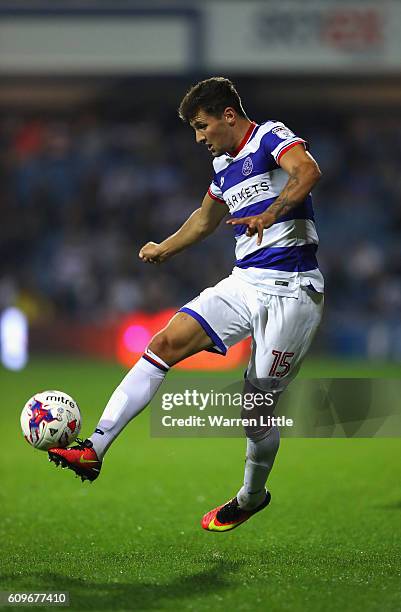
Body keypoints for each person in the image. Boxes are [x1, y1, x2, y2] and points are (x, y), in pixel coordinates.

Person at [48, 77, 324, 532]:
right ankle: (93, 448)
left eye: (202, 126)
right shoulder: (223, 167)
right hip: (245, 282)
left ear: (227, 116)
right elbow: (203, 219)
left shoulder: (270, 136)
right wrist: (165, 247)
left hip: (293, 290)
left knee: (256, 406)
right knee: (163, 343)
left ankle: (251, 496)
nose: (199, 137)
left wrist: (270, 214)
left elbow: (308, 171)